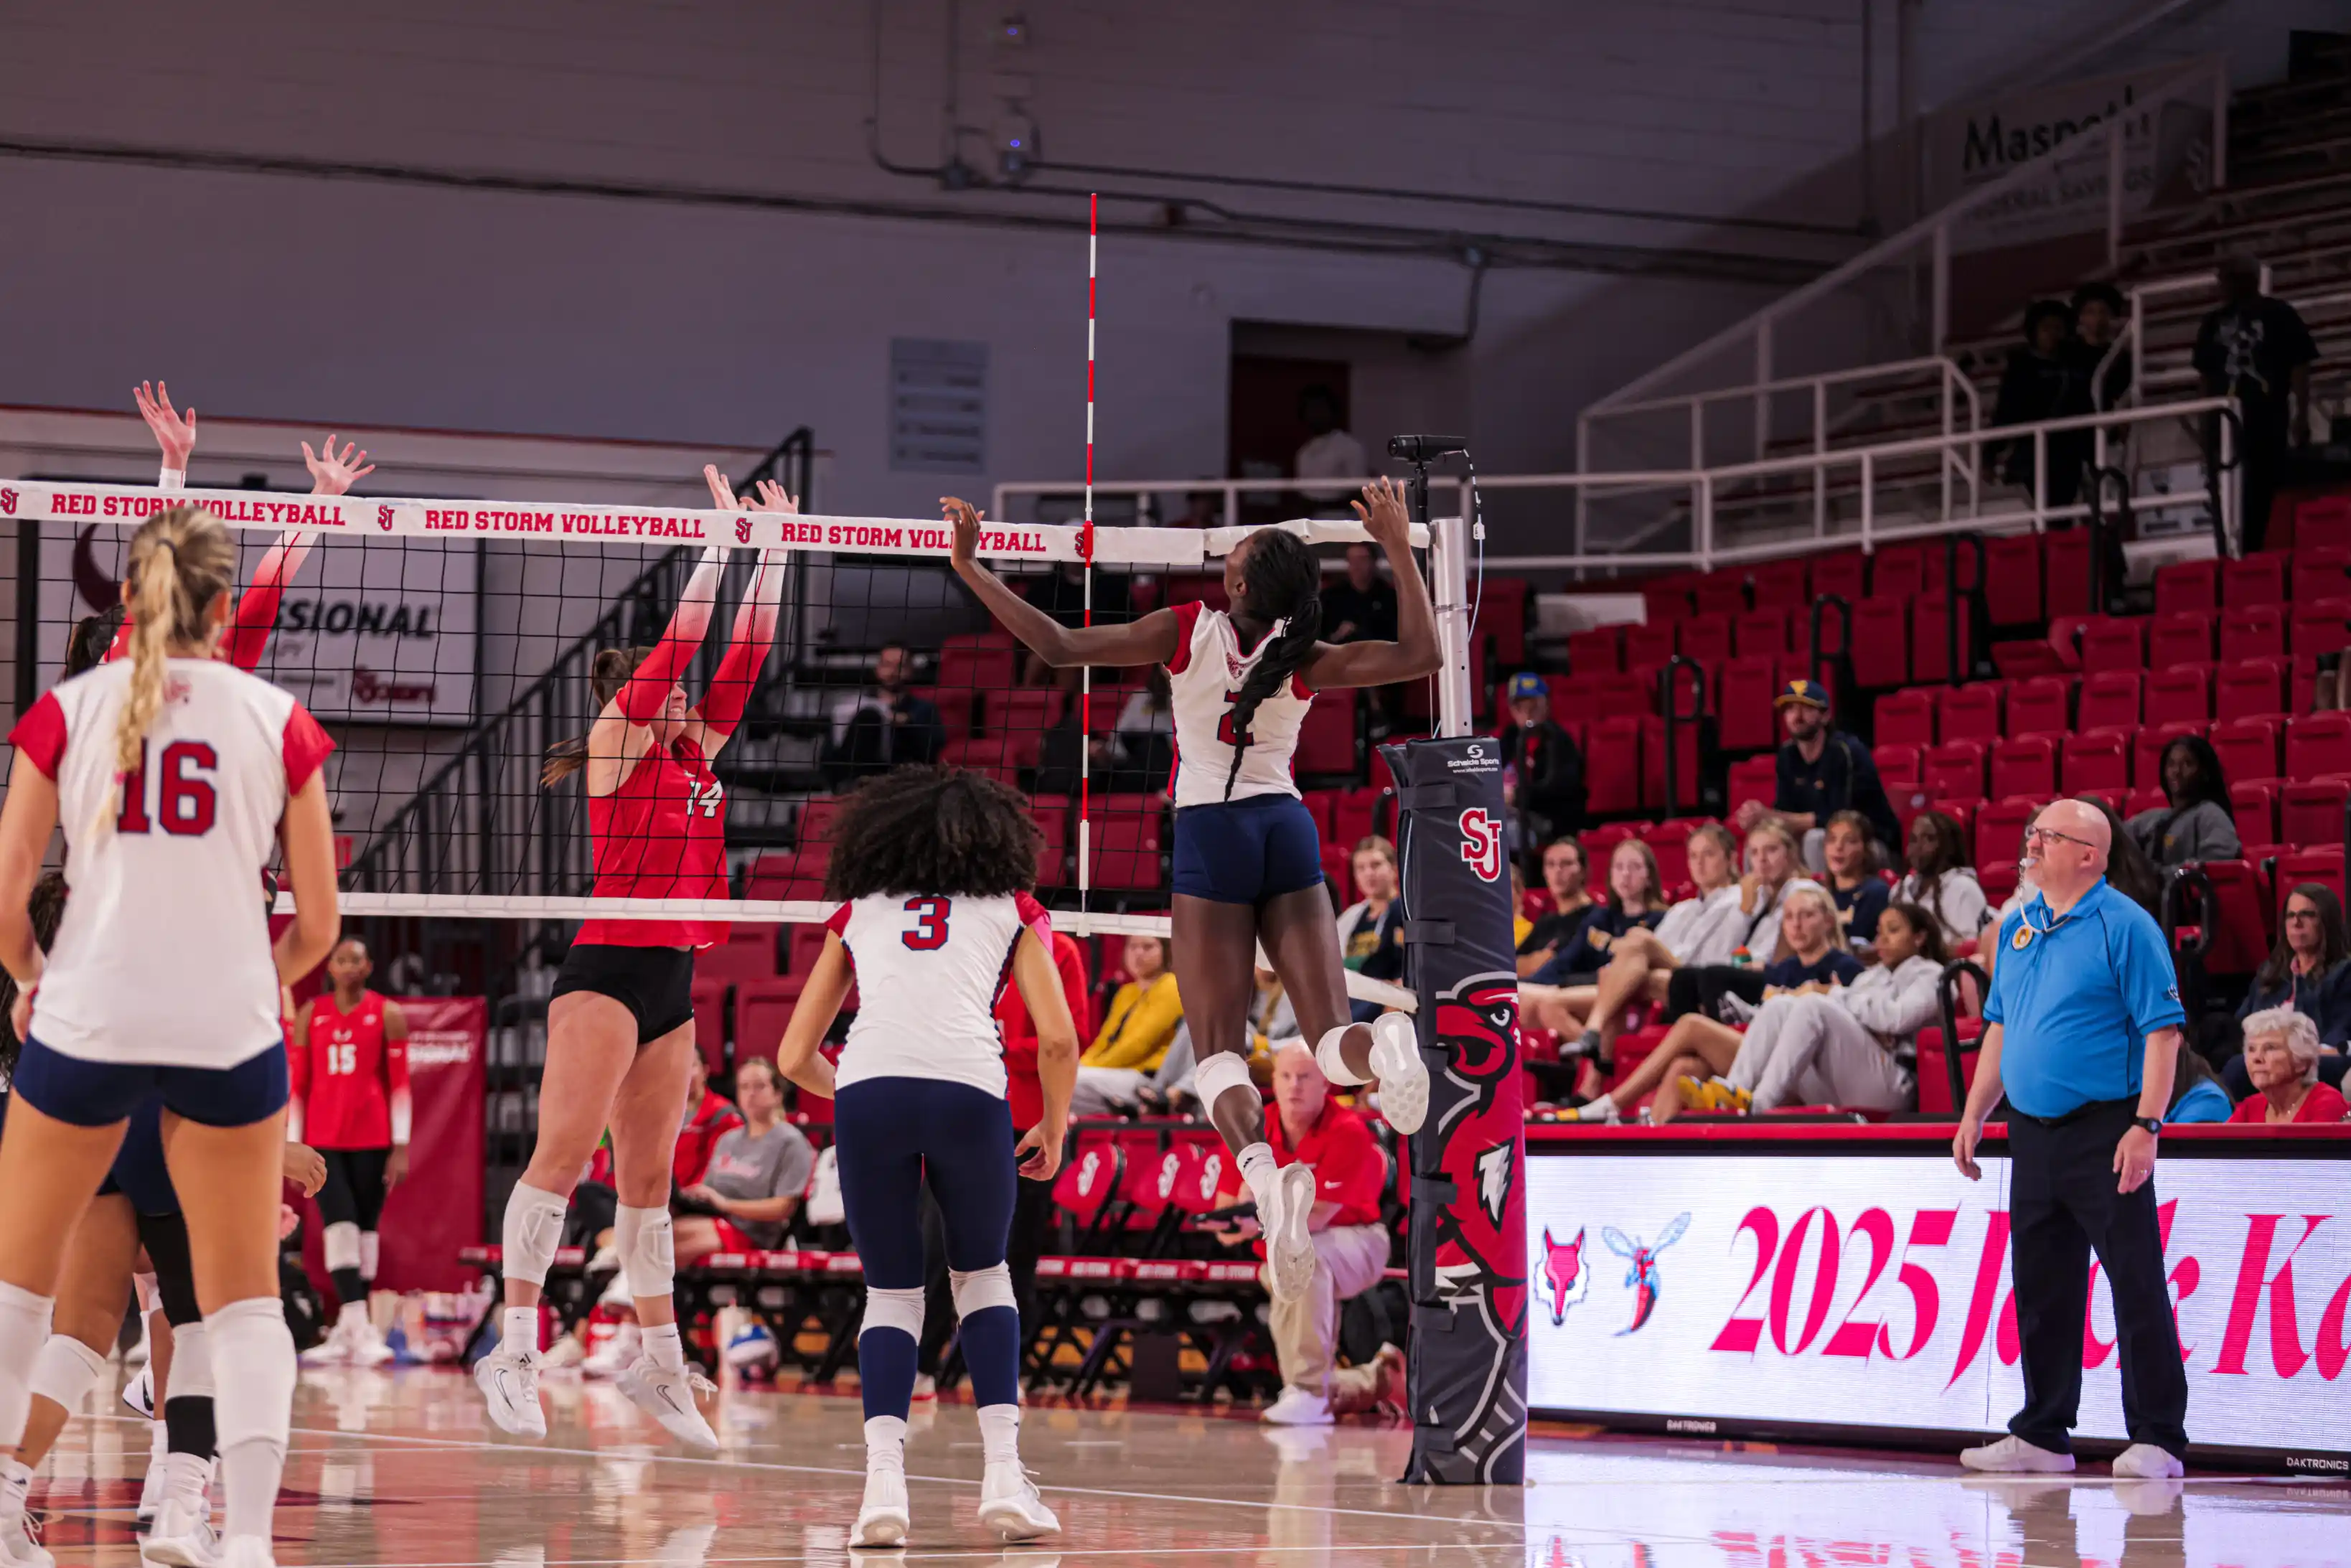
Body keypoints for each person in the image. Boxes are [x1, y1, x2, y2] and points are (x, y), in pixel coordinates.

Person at [944, 479, 1440, 1307]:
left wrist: (971, 567)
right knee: (1326, 1039)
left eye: (1236, 554)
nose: (1226, 554)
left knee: (1216, 1051)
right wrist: (1395, 542)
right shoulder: (1306, 658)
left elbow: (1061, 648)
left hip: (1212, 836)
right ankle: (1382, 1048)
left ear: (1239, 587)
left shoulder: (1185, 632)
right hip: (1286, 825)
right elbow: (1423, 654)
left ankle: (1260, 1171)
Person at [0, 505, 343, 1568]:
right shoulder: (278, 718)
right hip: (225, 1029)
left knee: (24, 1294)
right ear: (224, 604)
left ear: (127, 602)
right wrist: (261, 982)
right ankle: (241, 1537)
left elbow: (8, 900)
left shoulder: (68, 710)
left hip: (92, 1015)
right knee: (241, 1305)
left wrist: (27, 979)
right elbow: (322, 927)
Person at [475, 466, 794, 1448]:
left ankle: (659, 1363)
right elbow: (684, 648)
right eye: (666, 692)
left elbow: (742, 655)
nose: (685, 700)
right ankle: (514, 1346)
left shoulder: (695, 750)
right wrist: (714, 544)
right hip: (605, 970)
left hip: (670, 979)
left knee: (648, 1185)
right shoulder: (619, 742)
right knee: (563, 1160)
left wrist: (774, 548)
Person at [768, 765, 1079, 1547]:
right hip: (970, 1091)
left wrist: (858, 1092)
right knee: (983, 1276)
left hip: (871, 1089)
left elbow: (792, 1053)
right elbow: (1060, 1038)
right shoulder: (1015, 907)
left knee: (892, 1293)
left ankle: (882, 1492)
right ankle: (1004, 1474)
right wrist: (1056, 1124)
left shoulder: (858, 910)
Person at [1953, 799, 2189, 1481]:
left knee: (2134, 1278)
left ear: (2089, 851)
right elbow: (1999, 1025)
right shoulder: (2020, 926)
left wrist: (2146, 1125)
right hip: (2031, 1132)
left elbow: (2162, 1030)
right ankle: (2042, 1431)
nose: (2031, 843)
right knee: (2042, 1284)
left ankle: (2158, 1437)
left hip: (2105, 1128)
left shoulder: (2127, 926)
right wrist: (1974, 1113)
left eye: (2046, 836)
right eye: (2032, 832)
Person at [914, 921, 1092, 1400]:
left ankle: (998, 1371)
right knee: (935, 1245)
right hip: (960, 1112)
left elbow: (1071, 1037)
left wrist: (1000, 1046)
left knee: (1015, 1256)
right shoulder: (957, 939)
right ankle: (922, 1367)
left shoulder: (1060, 951)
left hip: (1029, 1121)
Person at [1568, 881, 1857, 1125]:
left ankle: (1612, 1104)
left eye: (1806, 916)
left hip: (1808, 1074)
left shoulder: (1845, 967)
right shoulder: (1782, 969)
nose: (1796, 925)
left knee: (1691, 1026)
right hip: (1760, 1063)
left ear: (1828, 920)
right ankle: (1651, 1154)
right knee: (1684, 1068)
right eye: (1790, 917)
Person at [1247, 1043, 1404, 1427]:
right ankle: (1369, 1381)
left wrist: (1252, 1217)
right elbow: (1225, 1209)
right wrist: (1236, 1222)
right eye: (1285, 1076)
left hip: (1360, 1240)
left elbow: (1315, 1219)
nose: (1294, 1086)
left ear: (1326, 1085)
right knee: (1292, 1265)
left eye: (1305, 1077)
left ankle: (1308, 1391)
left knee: (1303, 1256)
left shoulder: (1347, 1129)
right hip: (1279, 1244)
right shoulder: (1254, 1127)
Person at [1696, 901, 1948, 1117]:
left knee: (1813, 1005)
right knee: (1779, 1006)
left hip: (1895, 1085)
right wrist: (1862, 1017)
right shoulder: (1871, 977)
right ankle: (1732, 1092)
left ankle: (1760, 1104)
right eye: (1879, 931)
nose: (1881, 939)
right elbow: (1861, 1018)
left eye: (1893, 931)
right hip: (1848, 1079)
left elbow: (1896, 1018)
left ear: (1919, 937)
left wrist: (1837, 995)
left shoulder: (1933, 975)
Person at [289, 936, 411, 1368]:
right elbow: (298, 1085)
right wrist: (293, 1142)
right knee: (338, 1225)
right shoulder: (311, 1014)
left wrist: (400, 1146)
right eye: (341, 960)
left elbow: (399, 1084)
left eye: (356, 960)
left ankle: (350, 1326)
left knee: (365, 1230)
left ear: (369, 966)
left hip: (373, 1138)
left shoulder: (387, 1013)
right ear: (331, 968)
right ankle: (358, 1324)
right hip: (323, 1139)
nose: (348, 967)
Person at [1540, 822, 1747, 1059]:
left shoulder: (1742, 900)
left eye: (1708, 854)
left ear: (1731, 858)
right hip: (1666, 977)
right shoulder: (1682, 909)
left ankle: (1594, 1033)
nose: (1699, 863)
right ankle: (1594, 1075)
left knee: (1637, 941)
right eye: (1693, 856)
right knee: (1577, 992)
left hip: (1702, 980)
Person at [2194, 258, 2319, 554]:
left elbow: (2300, 365)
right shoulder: (2211, 322)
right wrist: (2204, 422)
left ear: (2249, 279)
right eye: (2223, 279)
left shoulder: (2279, 313)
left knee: (2261, 490)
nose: (2225, 285)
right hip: (2223, 423)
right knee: (2224, 493)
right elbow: (2205, 375)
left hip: (2266, 417)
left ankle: (2253, 552)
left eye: (2232, 277)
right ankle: (2234, 554)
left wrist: (2301, 415)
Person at [1734, 680, 1900, 858]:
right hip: (1824, 838)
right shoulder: (1787, 755)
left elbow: (1838, 820)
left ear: (1825, 716)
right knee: (1761, 840)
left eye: (1806, 708)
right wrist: (1758, 819)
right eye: (1790, 709)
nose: (1797, 716)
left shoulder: (1845, 752)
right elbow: (1784, 809)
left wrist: (1769, 816)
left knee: (1816, 840)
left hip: (1869, 843)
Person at [675, 1059, 815, 1265]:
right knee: (654, 1232)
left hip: (754, 1234)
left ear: (778, 1094)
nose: (751, 1093)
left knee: (663, 1242)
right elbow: (710, 1190)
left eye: (759, 1086)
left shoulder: (791, 1142)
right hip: (716, 1221)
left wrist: (726, 1204)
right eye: (744, 1087)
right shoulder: (728, 1140)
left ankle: (623, 1291)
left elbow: (784, 1208)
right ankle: (623, 1289)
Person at [2228, 886, 2351, 1094]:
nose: (2296, 923)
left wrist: (2291, 1054)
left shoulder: (2344, 972)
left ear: (2326, 923)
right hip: (2265, 1057)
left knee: (2239, 1070)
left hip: (2317, 1060)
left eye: (2307, 915)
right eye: (2291, 916)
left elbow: (2340, 1033)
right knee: (2233, 1066)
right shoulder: (2270, 972)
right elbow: (2243, 1023)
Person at [1522, 839, 1669, 989]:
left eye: (1635, 867)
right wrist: (1522, 986)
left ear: (1650, 877)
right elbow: (1565, 962)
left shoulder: (1663, 919)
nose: (1625, 874)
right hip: (1585, 992)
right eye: (1619, 867)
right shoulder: (1600, 918)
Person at [1069, 934, 1184, 1119]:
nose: (1139, 953)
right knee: (1054, 1085)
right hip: (1113, 1072)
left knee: (1062, 1084)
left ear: (1166, 951)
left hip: (1145, 1077)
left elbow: (1138, 1045)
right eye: (1133, 947)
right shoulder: (1126, 992)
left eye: (1148, 947)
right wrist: (1082, 1064)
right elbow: (1103, 1041)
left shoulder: (1172, 986)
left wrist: (1087, 1068)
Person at [1992, 301, 2093, 509]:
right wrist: (1990, 454)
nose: (2052, 334)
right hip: (2031, 454)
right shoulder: (2020, 369)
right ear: (2034, 332)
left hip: (2068, 452)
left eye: (2058, 328)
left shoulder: (2076, 367)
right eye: (2046, 328)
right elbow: (2005, 411)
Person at [826, 642, 947, 785]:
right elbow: (830, 753)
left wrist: (907, 724)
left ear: (911, 670)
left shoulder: (924, 710)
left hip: (898, 779)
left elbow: (933, 751)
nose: (893, 672)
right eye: (887, 665)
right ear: (877, 668)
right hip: (856, 777)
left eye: (900, 666)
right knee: (868, 716)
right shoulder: (855, 707)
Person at [1498, 675, 1585, 850]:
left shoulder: (1558, 740)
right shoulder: (1509, 737)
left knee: (1502, 834)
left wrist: (1517, 795)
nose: (1527, 712)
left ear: (1546, 705)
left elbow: (1562, 788)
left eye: (1534, 705)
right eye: (1520, 705)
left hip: (1549, 821)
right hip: (1512, 814)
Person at [2126, 736, 2240, 868]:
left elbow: (2216, 868)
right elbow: (2116, 839)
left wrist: (2160, 875)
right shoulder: (2153, 819)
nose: (2177, 771)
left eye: (2187, 764)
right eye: (2171, 764)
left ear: (2205, 773)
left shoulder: (2211, 815)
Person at [2228, 1008, 2350, 1125]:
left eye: (2270, 1048)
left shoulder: (2326, 1104)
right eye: (2251, 1049)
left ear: (2302, 1062)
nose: (2257, 1058)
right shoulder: (2249, 1108)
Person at [1890, 809, 1991, 948]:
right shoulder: (1900, 890)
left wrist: (1927, 951)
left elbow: (1975, 946)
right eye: (1913, 839)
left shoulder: (1963, 888)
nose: (1918, 847)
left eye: (1929, 839)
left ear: (1949, 847)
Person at [1336, 837, 1407, 1023]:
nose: (1369, 873)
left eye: (1376, 865)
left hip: (1381, 1001)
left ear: (1394, 870)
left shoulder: (1405, 912)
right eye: (1361, 868)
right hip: (1349, 999)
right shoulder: (1352, 916)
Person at [1516, 839, 1595, 978]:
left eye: (1566, 864)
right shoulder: (1545, 922)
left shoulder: (1596, 918)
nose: (1557, 871)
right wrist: (1538, 960)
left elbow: (1563, 968)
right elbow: (1510, 967)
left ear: (1583, 871)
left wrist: (1531, 962)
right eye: (1550, 864)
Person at [1291, 385, 1369, 516]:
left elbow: (1361, 494)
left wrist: (1321, 506)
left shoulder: (1349, 446)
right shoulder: (1304, 451)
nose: (1314, 414)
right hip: (1308, 525)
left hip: (1339, 522)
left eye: (1319, 408)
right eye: (1309, 409)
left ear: (1332, 411)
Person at [1821, 809, 1889, 956]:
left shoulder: (1876, 892)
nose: (1838, 847)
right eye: (1832, 840)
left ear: (1865, 849)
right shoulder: (1820, 894)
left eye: (1850, 841)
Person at [2070, 282, 2134, 411]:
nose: (2097, 318)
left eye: (2103, 311)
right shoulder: (2067, 353)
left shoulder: (2121, 357)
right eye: (2090, 312)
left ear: (2112, 315)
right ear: (2080, 317)